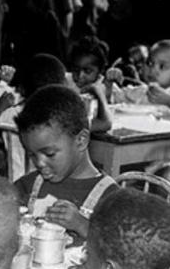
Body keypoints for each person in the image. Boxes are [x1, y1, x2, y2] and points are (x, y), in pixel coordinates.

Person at [14, 85, 118, 243]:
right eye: (32, 155)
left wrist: (83, 225)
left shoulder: (110, 198)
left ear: (81, 140)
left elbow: (121, 252)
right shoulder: (27, 186)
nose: (40, 163)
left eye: (49, 154)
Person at [111, 39, 170, 119]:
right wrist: (109, 82)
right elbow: (112, 98)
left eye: (162, 66)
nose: (153, 70)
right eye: (150, 63)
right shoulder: (140, 92)